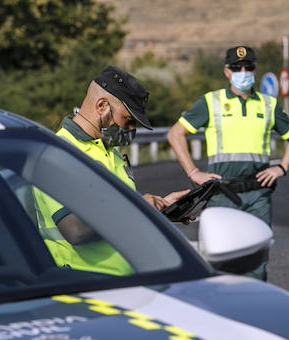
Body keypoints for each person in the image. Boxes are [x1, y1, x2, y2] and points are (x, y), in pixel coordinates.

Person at [34, 66, 188, 275]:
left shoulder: (111, 152)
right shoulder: (59, 153)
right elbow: (76, 230)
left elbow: (122, 216)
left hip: (128, 279)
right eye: (129, 120)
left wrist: (160, 209)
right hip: (85, 286)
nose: (132, 129)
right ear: (102, 106)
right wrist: (141, 207)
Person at [166, 45, 289, 281]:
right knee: (219, 259)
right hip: (221, 194)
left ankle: (254, 312)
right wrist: (193, 171)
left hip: (257, 195)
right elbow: (175, 134)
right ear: (226, 71)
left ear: (254, 70)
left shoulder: (268, 105)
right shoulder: (211, 102)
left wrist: (282, 167)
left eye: (248, 67)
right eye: (236, 67)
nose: (243, 71)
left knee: (257, 260)